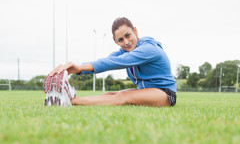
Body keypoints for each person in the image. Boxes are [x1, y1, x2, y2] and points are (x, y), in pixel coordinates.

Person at [44, 17, 177, 107]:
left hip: (164, 93)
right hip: (147, 90)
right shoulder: (125, 51)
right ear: (116, 42)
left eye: (128, 35)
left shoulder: (148, 48)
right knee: (110, 94)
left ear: (135, 31)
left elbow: (117, 62)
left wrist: (78, 68)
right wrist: (76, 69)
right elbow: (106, 61)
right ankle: (72, 97)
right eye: (120, 40)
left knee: (124, 96)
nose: (126, 42)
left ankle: (72, 101)